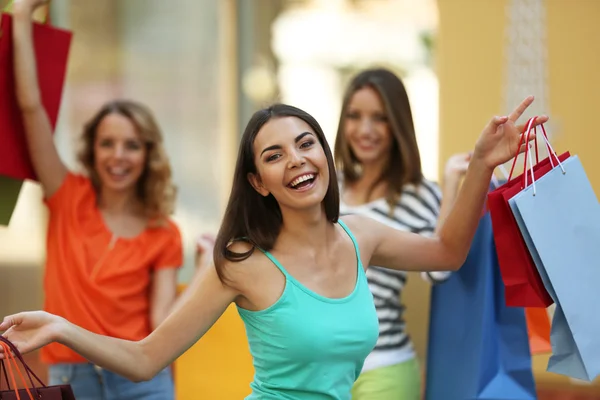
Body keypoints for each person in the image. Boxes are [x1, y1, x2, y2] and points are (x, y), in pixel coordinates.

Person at [1, 46, 542, 400]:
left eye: (306, 144)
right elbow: (145, 360)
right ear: (258, 182)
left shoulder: (362, 234)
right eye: (275, 155)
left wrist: (482, 164)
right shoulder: (241, 262)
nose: (298, 160)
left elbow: (447, 251)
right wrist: (61, 327)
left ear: (327, 157)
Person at [10, 0, 183, 398]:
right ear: (92, 149)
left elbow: (161, 326)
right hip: (72, 377)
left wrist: (206, 273)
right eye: (107, 143)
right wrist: (21, 16)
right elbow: (30, 108)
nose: (118, 155)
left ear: (148, 154)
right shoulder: (66, 194)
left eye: (131, 145)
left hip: (142, 379)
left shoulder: (164, 232)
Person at [334, 68, 471, 399]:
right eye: (354, 116)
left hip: (384, 370)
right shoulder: (326, 187)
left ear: (397, 124)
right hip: (317, 369)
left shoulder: (419, 195)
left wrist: (451, 183)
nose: (365, 130)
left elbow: (438, 269)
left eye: (379, 118)